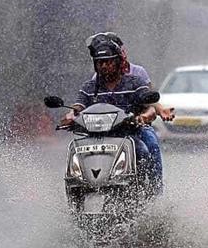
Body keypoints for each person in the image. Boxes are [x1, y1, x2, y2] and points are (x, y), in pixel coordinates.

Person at [61, 36, 163, 194]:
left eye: (108, 62)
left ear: (118, 62)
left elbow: (150, 108)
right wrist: (70, 116)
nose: (104, 66)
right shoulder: (89, 87)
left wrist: (143, 117)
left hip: (130, 133)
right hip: (95, 136)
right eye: (100, 62)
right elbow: (78, 107)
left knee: (145, 149)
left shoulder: (135, 83)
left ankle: (150, 192)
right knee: (75, 151)